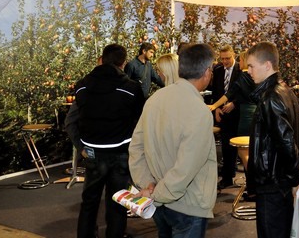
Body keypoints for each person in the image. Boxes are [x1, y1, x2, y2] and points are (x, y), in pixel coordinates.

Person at [129, 43, 217, 238]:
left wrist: (147, 184)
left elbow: (136, 147)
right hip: (188, 204)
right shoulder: (199, 111)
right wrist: (157, 193)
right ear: (207, 72)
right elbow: (186, 167)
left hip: (158, 199)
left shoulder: (155, 99)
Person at [72, 44, 145, 238]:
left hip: (92, 151)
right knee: (118, 201)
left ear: (102, 59)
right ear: (123, 63)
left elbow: (77, 118)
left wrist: (81, 145)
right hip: (120, 151)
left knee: (89, 201)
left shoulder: (82, 86)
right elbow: (139, 120)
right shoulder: (131, 88)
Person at [246, 41, 299, 238]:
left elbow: (287, 142)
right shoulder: (286, 91)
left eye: (251, 66)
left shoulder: (271, 97)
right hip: (280, 181)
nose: (248, 71)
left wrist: (296, 174)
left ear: (267, 65)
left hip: (272, 183)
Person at [210, 45, 242, 189]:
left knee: (236, 146)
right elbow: (216, 92)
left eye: (227, 58)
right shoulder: (218, 70)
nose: (225, 61)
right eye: (222, 59)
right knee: (225, 146)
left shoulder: (241, 70)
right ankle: (227, 177)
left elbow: (245, 92)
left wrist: (234, 103)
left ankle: (233, 173)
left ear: (233, 55)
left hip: (239, 114)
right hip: (222, 113)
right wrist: (216, 109)